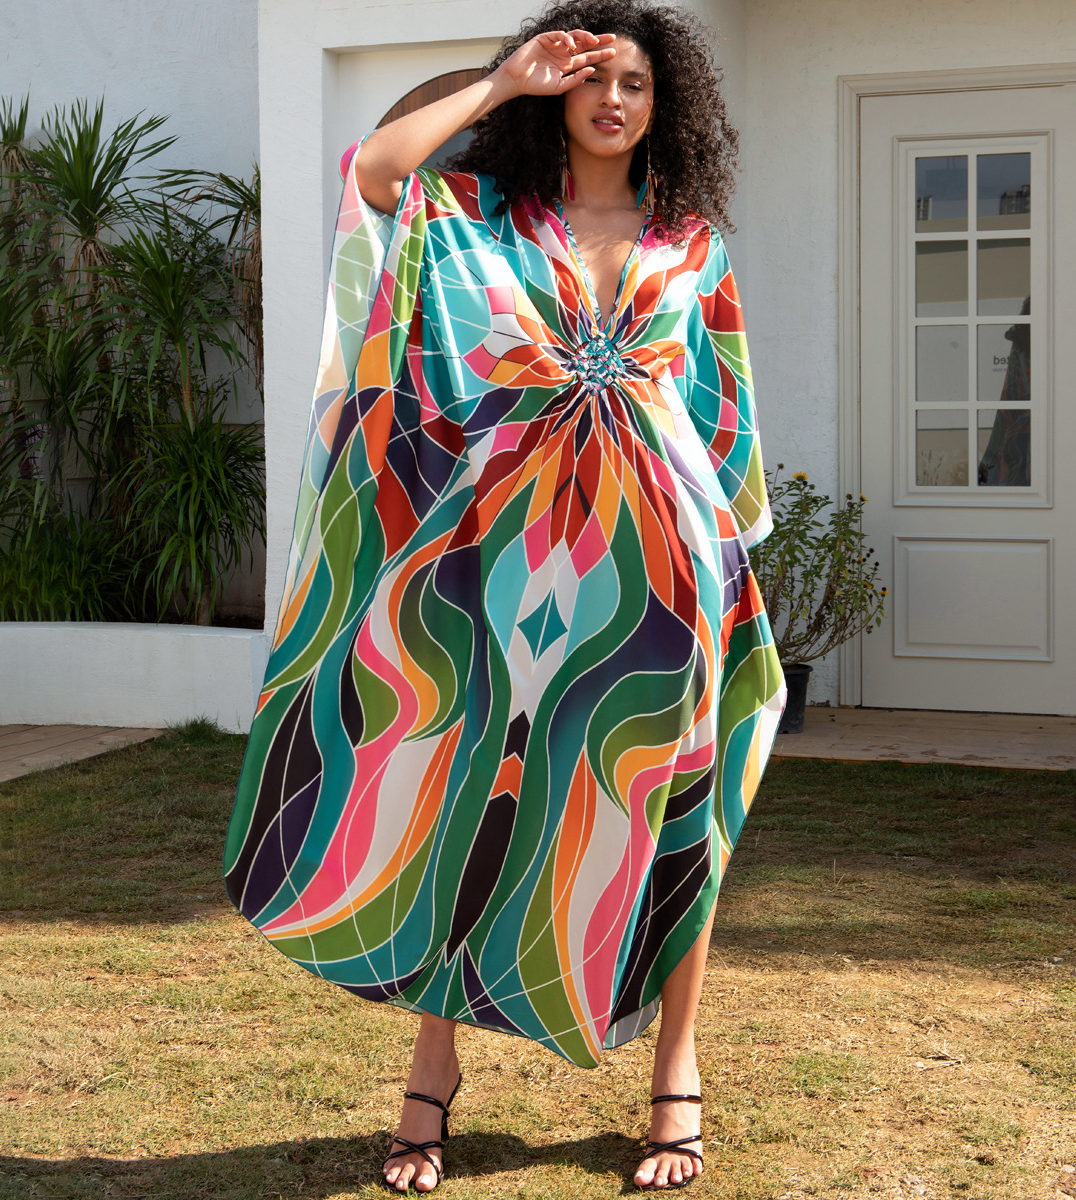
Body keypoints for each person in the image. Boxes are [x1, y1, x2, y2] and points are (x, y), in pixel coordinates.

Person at [223, 0, 783, 1191]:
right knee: (470, 788)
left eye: (635, 82)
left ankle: (675, 1071)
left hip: (664, 568)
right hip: (503, 557)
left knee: (670, 802)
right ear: (556, 95)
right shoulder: (480, 216)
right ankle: (432, 1073)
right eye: (589, 79)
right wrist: (499, 82)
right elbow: (375, 173)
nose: (612, 99)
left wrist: (732, 568)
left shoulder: (693, 247)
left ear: (664, 104)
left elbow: (722, 423)